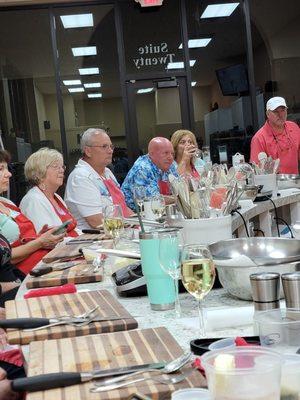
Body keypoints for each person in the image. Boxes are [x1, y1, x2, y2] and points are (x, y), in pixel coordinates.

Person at [0, 150, 65, 274]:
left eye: (7, 169)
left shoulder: (6, 202)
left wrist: (39, 236)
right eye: (0, 169)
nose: (8, 174)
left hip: (41, 263)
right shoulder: (33, 199)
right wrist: (40, 242)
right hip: (23, 272)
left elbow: (25, 239)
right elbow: (4, 256)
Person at [65, 128, 133, 230]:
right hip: (95, 240)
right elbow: (97, 222)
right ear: (88, 151)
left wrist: (140, 222)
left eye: (111, 146)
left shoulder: (107, 172)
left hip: (120, 230)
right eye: (104, 146)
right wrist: (130, 226)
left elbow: (122, 207)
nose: (110, 151)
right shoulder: (80, 177)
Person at [19, 148, 78, 237]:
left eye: (62, 166)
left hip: (73, 246)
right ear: (39, 172)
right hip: (58, 250)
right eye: (55, 166)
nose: (62, 170)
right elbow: (47, 239)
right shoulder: (33, 200)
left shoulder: (56, 197)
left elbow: (74, 230)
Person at [121, 137, 178, 210]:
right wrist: (177, 199)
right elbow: (154, 202)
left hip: (161, 213)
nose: (170, 157)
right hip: (135, 216)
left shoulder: (170, 164)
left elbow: (179, 188)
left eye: (172, 154)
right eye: (165, 153)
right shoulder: (142, 169)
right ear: (151, 154)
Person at [250, 96, 300, 174]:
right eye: (275, 111)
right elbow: (257, 172)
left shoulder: (294, 128)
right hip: (273, 184)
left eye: (283, 110)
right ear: (268, 114)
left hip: (295, 182)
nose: (280, 115)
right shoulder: (259, 138)